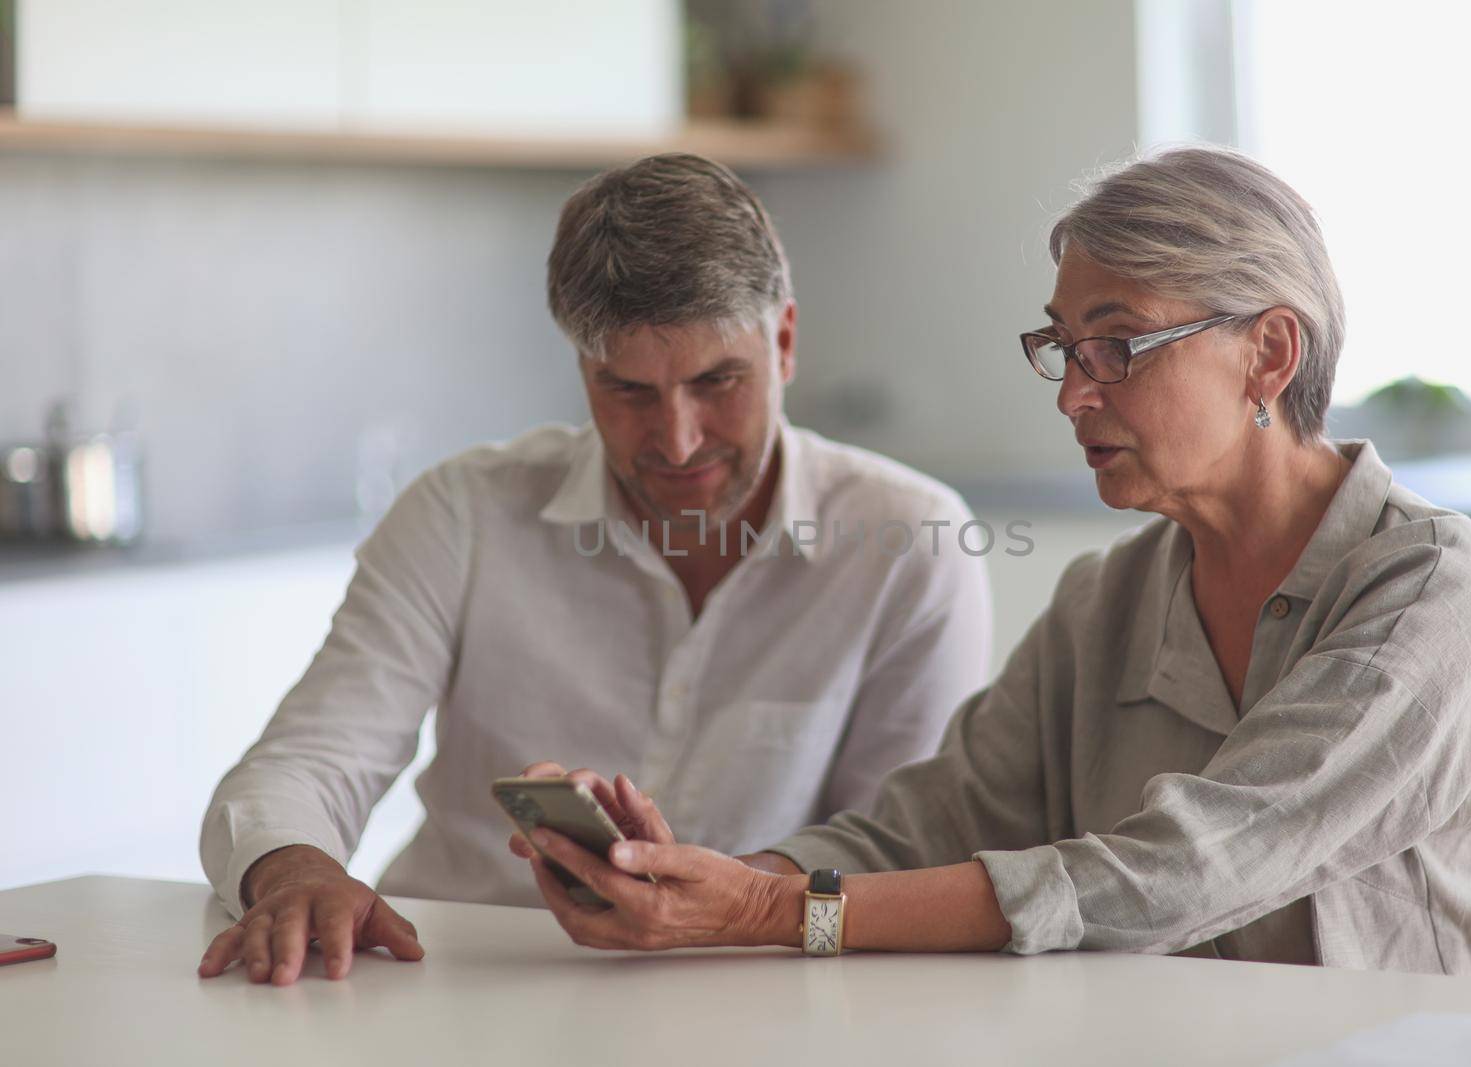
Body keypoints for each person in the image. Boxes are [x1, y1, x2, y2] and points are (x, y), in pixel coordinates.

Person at [511, 145, 1471, 979]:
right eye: (1063, 348)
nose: (1074, 393)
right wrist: (691, 879)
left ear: (1268, 351)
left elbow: (1188, 864)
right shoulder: (1106, 598)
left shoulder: (1431, 588)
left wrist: (760, 913)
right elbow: (919, 825)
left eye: (1117, 346)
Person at [196, 153, 993, 986]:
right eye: (630, 391)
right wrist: (296, 870)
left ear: (784, 341)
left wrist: (716, 896)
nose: (679, 440)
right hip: (457, 991)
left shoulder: (913, 540)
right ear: (582, 368)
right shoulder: (462, 512)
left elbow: (901, 855)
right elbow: (307, 760)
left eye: (717, 381)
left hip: (755, 1005)